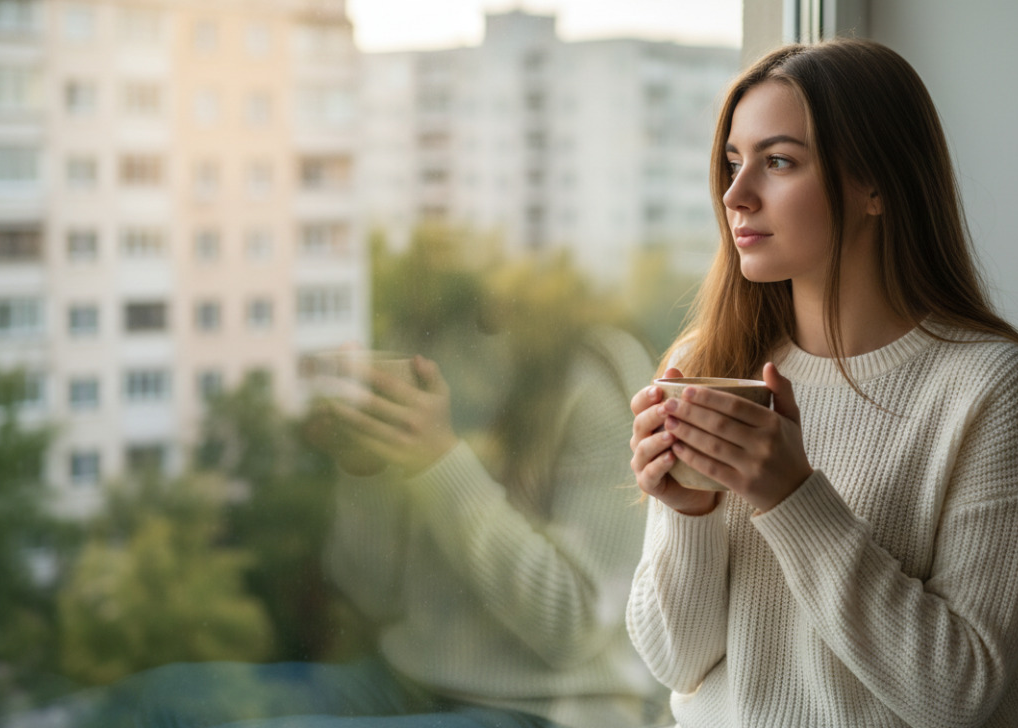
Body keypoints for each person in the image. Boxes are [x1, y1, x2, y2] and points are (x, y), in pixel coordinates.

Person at [625, 39, 1018, 728]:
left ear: (877, 185)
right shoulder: (712, 359)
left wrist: (791, 496)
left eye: (778, 162)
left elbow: (957, 694)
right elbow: (675, 661)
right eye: (733, 163)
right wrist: (690, 513)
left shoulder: (992, 387)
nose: (735, 196)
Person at [70, 302, 670, 728]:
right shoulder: (435, 345)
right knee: (149, 703)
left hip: (544, 713)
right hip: (408, 687)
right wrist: (364, 473)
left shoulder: (596, 373)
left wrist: (439, 461)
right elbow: (375, 595)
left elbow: (571, 625)